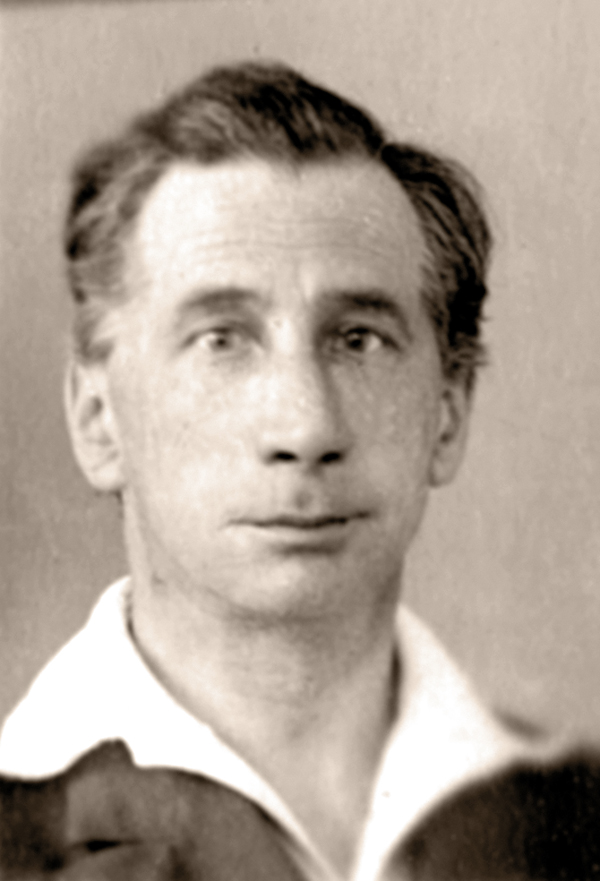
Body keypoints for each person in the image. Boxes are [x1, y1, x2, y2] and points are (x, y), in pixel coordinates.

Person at [0, 61, 598, 880]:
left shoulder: (572, 821)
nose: (307, 426)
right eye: (222, 339)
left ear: (449, 412)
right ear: (98, 419)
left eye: (359, 339)